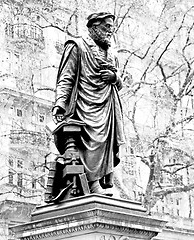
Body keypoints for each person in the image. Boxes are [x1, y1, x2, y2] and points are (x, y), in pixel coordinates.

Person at [52, 12, 125, 195]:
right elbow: (66, 77)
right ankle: (92, 185)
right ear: (94, 27)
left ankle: (100, 182)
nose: (110, 31)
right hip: (84, 105)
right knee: (91, 141)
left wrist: (114, 77)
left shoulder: (112, 54)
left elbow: (121, 83)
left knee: (105, 143)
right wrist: (60, 103)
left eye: (111, 28)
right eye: (106, 27)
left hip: (107, 106)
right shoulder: (77, 46)